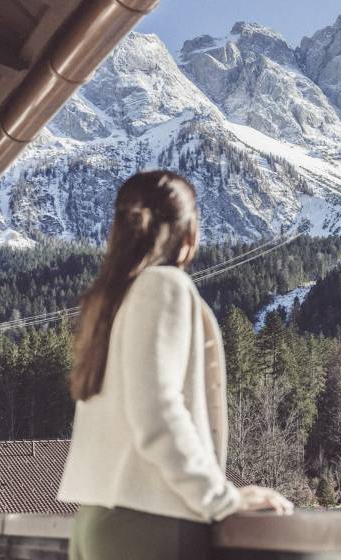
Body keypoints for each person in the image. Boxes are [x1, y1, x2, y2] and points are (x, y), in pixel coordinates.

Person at [58, 171, 294, 559]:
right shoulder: (163, 286)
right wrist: (220, 498)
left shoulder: (110, 303)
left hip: (98, 521)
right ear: (188, 234)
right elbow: (157, 412)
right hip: (152, 524)